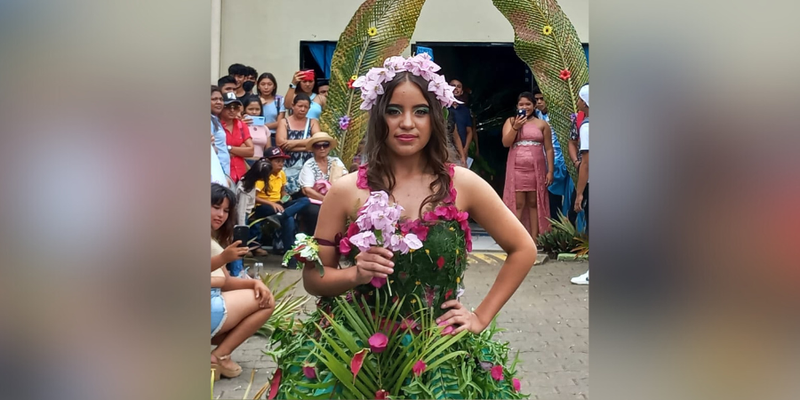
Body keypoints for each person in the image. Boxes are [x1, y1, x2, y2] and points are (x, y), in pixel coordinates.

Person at [268, 54, 535, 399]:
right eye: (394, 111)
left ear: (435, 118)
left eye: (420, 111)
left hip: (438, 357)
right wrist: (355, 275)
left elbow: (524, 249)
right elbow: (315, 280)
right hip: (356, 359)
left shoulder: (464, 184)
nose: (407, 123)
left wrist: (480, 316)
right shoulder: (346, 191)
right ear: (379, 118)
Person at [211, 183, 275, 380]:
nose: (221, 214)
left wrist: (255, 283)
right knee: (267, 303)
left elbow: (225, 281)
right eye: (215, 207)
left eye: (226, 210)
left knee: (262, 295)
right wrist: (224, 258)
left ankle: (220, 355)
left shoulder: (212, 240)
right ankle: (219, 357)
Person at [502, 92, 555, 243]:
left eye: (528, 104)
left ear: (534, 105)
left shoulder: (542, 124)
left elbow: (549, 149)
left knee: (534, 202)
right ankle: (515, 239)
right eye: (521, 104)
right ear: (517, 106)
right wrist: (516, 127)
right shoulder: (511, 121)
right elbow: (506, 143)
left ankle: (534, 239)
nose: (525, 107)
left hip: (536, 170)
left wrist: (550, 171)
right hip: (517, 169)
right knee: (518, 203)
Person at [249, 147, 310, 255]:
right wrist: (271, 203)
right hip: (263, 206)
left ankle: (282, 215)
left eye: (282, 161)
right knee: (289, 219)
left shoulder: (281, 174)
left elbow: (282, 191)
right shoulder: (263, 175)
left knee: (305, 200)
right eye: (277, 161)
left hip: (279, 204)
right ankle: (290, 256)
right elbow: (253, 197)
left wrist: (285, 196)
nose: (281, 164)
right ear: (268, 161)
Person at [298, 132, 348, 236]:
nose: (322, 148)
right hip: (316, 200)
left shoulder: (336, 161)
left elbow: (346, 180)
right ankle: (315, 239)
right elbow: (307, 190)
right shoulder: (309, 165)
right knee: (314, 211)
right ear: (313, 149)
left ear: (329, 147)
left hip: (336, 198)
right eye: (318, 146)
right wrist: (326, 200)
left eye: (325, 145)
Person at [534, 91, 573, 219]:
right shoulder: (538, 115)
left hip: (557, 162)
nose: (539, 102)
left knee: (555, 197)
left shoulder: (557, 117)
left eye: (542, 99)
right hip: (542, 161)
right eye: (537, 99)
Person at [275, 93, 321, 194]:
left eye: (306, 107)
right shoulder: (284, 122)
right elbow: (280, 143)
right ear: (293, 106)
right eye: (300, 106)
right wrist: (307, 146)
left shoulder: (313, 122)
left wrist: (292, 143)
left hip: (308, 163)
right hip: (288, 163)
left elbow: (317, 140)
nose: (303, 109)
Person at [571, 84, 589, 285]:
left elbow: (586, 163)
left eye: (579, 98)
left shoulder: (586, 126)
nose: (577, 102)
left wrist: (580, 193)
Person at [236, 158, 272, 257]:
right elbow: (241, 211)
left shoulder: (249, 182)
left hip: (249, 213)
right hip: (243, 216)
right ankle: (238, 268)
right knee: (240, 247)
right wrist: (241, 229)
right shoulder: (245, 189)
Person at [219, 92, 254, 183]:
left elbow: (250, 151)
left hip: (241, 175)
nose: (232, 110)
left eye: (235, 107)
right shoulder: (216, 126)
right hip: (223, 174)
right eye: (228, 107)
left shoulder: (241, 125)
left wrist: (228, 148)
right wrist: (240, 150)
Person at [448, 79, 472, 165]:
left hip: (461, 151)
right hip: (446, 150)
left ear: (462, 92)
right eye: (453, 85)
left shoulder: (465, 110)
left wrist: (465, 150)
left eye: (458, 86)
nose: (455, 88)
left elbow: (469, 131)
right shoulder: (442, 108)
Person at [256, 73, 283, 145]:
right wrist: (258, 104)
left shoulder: (279, 100)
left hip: (273, 136)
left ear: (274, 86)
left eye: (269, 84)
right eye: (263, 84)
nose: (266, 87)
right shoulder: (253, 99)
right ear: (258, 86)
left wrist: (263, 126)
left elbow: (280, 122)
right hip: (255, 135)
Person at [211, 86, 231, 181]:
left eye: (221, 99)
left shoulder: (215, 119)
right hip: (216, 173)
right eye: (214, 99)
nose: (219, 102)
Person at [241, 96, 270, 161]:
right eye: (250, 109)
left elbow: (268, 150)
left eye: (257, 109)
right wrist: (240, 124)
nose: (254, 112)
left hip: (259, 162)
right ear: (244, 110)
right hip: (243, 161)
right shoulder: (239, 126)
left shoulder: (265, 128)